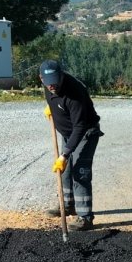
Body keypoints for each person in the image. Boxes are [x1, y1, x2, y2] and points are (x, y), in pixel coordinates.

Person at [41, 60, 103, 231]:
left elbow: (80, 127)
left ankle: (85, 218)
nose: (52, 86)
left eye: (55, 82)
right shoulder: (48, 85)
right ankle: (68, 205)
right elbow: (53, 97)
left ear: (62, 76)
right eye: (48, 83)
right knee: (65, 171)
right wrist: (51, 107)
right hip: (68, 134)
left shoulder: (75, 92)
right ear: (41, 79)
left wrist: (65, 154)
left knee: (79, 173)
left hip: (86, 134)